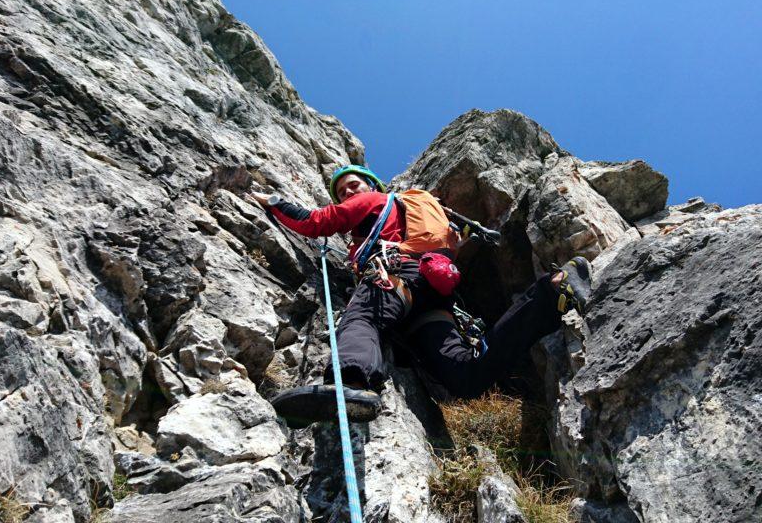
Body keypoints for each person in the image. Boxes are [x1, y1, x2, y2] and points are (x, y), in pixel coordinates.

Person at [250, 164, 591, 427]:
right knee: (465, 377)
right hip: (430, 296)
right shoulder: (401, 216)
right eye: (341, 190)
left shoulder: (372, 201)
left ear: (371, 187)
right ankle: (551, 292)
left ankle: (350, 383)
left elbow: (316, 222)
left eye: (353, 184)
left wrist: (273, 202)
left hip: (395, 274)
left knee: (363, 317)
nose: (348, 191)